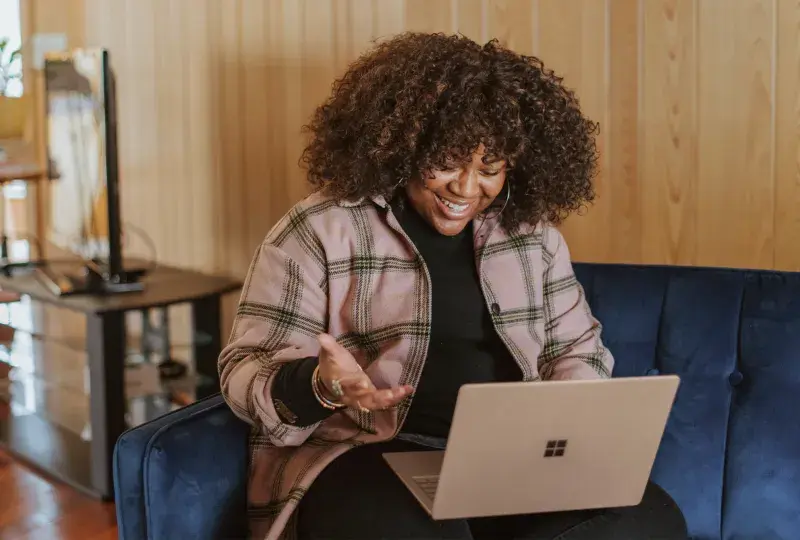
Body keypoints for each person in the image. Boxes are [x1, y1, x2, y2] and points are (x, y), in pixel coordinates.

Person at [219, 32, 687, 540]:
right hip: (366, 454)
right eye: (446, 162)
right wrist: (320, 384)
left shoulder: (535, 238)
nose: (466, 189)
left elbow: (577, 350)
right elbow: (244, 370)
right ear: (403, 145)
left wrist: (564, 422)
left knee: (649, 521)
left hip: (509, 460)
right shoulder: (321, 229)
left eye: (489, 169)